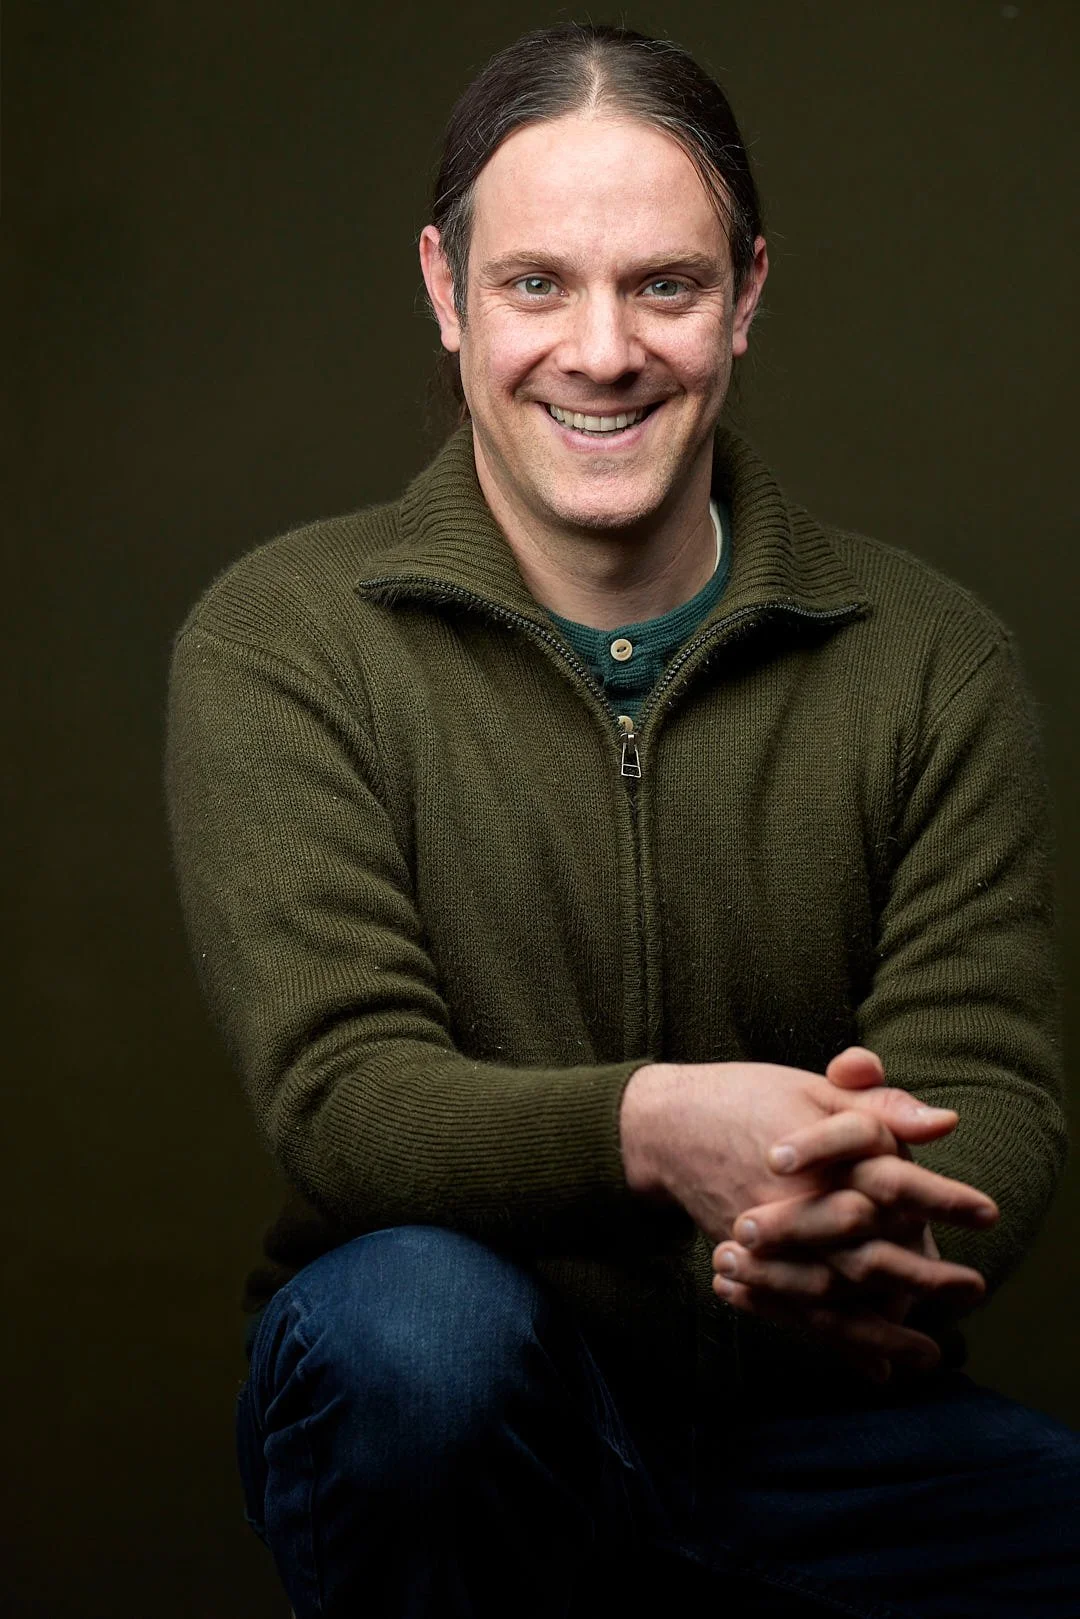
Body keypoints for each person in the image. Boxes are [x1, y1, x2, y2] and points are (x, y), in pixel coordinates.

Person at [166, 23, 1076, 1619]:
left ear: (747, 299)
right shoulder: (285, 639)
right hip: (458, 1406)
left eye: (662, 284)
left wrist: (852, 1228)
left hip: (826, 1432)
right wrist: (658, 1126)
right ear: (447, 293)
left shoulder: (931, 656)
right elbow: (347, 1092)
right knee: (414, 1336)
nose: (602, 350)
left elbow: (985, 1079)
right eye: (537, 286)